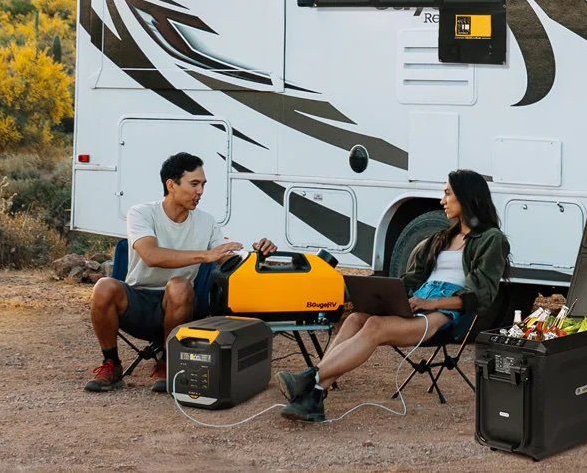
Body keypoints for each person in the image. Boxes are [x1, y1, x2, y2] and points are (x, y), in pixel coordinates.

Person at [276, 169, 509, 422]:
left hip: (447, 314)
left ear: (466, 197)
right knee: (355, 318)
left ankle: (310, 381)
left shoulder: (491, 239)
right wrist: (382, 292)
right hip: (420, 299)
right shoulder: (441, 238)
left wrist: (432, 303)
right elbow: (410, 279)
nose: (442, 200)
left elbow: (481, 295)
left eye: (447, 193)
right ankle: (315, 393)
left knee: (375, 326)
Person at [82, 152, 277, 393]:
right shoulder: (142, 213)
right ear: (171, 185)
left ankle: (169, 360)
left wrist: (258, 253)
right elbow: (151, 256)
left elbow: (228, 258)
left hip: (179, 306)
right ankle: (111, 363)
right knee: (103, 286)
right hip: (137, 302)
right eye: (194, 184)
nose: (200, 191)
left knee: (179, 285)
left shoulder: (206, 222)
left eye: (203, 185)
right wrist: (204, 255)